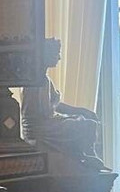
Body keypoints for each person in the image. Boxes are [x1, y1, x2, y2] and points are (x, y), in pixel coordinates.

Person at [22, 38, 106, 170]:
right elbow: (46, 112)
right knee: (87, 124)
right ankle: (86, 155)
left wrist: (80, 110)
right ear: (47, 54)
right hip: (40, 129)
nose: (59, 57)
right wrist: (68, 113)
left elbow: (55, 106)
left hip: (46, 124)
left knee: (84, 119)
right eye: (57, 53)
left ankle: (84, 155)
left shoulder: (44, 79)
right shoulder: (37, 81)